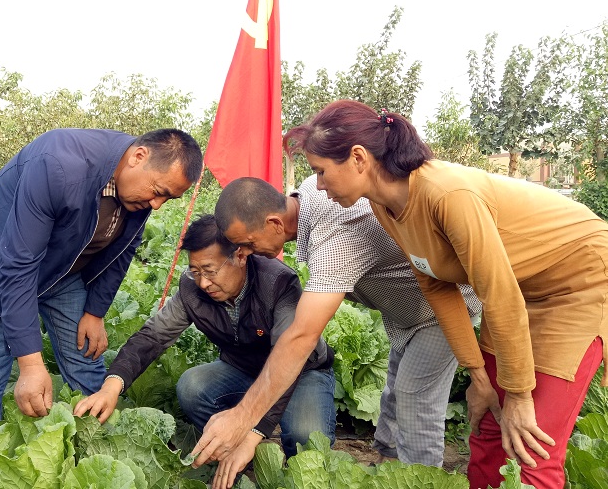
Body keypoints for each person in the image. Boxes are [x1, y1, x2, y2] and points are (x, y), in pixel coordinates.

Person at [256, 99, 604, 488]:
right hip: (516, 292)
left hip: (577, 282)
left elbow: (500, 297)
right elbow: (436, 286)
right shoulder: (386, 206)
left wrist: (520, 396)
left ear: (358, 158)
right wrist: (479, 377)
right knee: (489, 426)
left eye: (321, 171)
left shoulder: (447, 194)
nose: (317, 186)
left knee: (530, 442)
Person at [208, 175, 481, 468]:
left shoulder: (336, 237)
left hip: (444, 307)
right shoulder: (310, 192)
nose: (246, 253)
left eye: (248, 243)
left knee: (415, 400)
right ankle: (388, 469)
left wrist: (243, 417)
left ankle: (422, 479)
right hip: (407, 310)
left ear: (275, 223)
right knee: (395, 393)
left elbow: (301, 337)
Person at [0, 127, 202, 434]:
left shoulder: (139, 191)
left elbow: (123, 249)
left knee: (86, 356)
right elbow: (19, 265)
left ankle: (94, 443)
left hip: (63, 268)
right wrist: (30, 364)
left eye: (168, 198)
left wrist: (95, 312)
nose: (157, 204)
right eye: (159, 191)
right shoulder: (59, 164)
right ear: (138, 156)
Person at [74, 214, 336, 489]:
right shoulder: (192, 289)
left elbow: (288, 361)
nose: (203, 283)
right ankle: (229, 448)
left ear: (240, 256)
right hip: (243, 368)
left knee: (306, 437)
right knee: (192, 387)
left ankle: (250, 444)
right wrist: (112, 385)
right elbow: (153, 336)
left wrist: (253, 432)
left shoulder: (278, 283)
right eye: (195, 271)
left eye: (210, 271)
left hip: (301, 372)